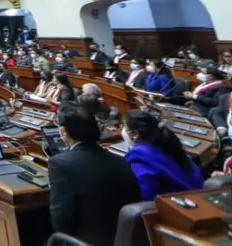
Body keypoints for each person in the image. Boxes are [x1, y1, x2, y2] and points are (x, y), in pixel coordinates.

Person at [48, 104, 141, 246]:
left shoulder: (60, 164)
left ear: (63, 131)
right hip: (123, 239)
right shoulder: (121, 161)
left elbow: (60, 221)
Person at [122, 110, 204, 200]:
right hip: (197, 197)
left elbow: (146, 195)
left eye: (125, 128)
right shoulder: (167, 143)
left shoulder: (139, 155)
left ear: (135, 134)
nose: (123, 131)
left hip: (178, 207)